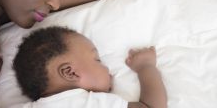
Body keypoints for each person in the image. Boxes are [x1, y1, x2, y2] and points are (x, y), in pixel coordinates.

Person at [13, 26, 167, 108]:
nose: (107, 69)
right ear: (70, 72)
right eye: (97, 60)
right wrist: (146, 67)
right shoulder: (90, 103)